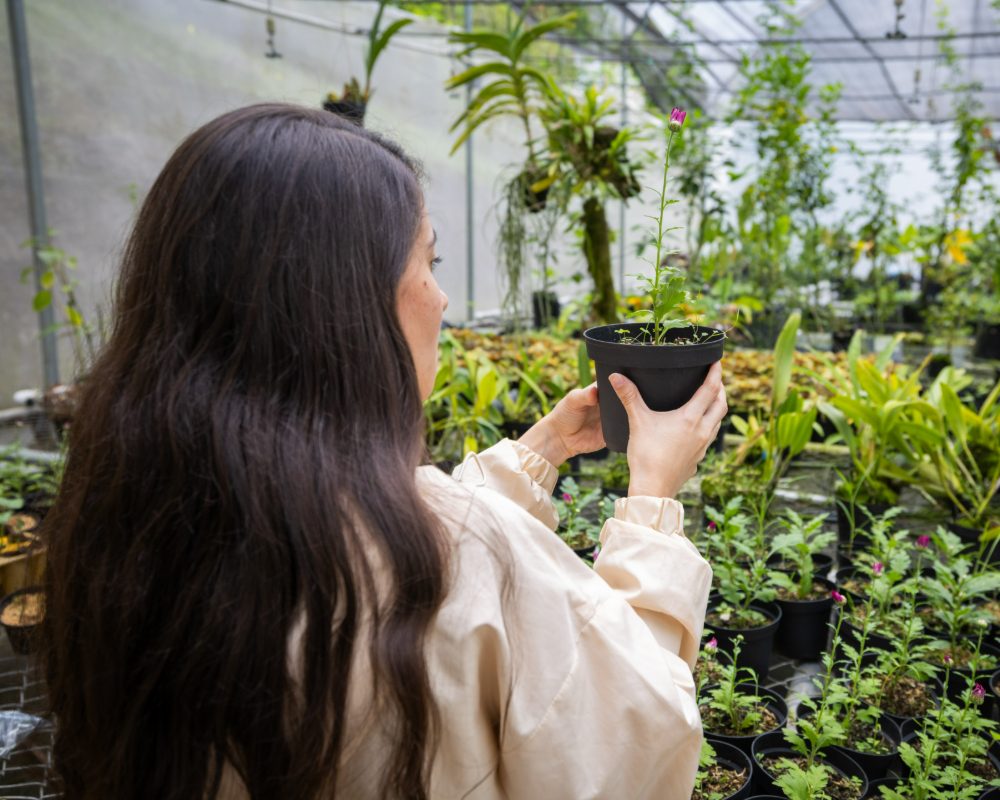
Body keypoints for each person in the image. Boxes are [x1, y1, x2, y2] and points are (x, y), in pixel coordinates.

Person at [43, 104, 726, 800]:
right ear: (346, 303)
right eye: (428, 261)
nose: (443, 296)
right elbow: (627, 737)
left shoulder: (135, 504)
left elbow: (391, 538)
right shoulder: (466, 556)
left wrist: (543, 448)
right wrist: (653, 497)